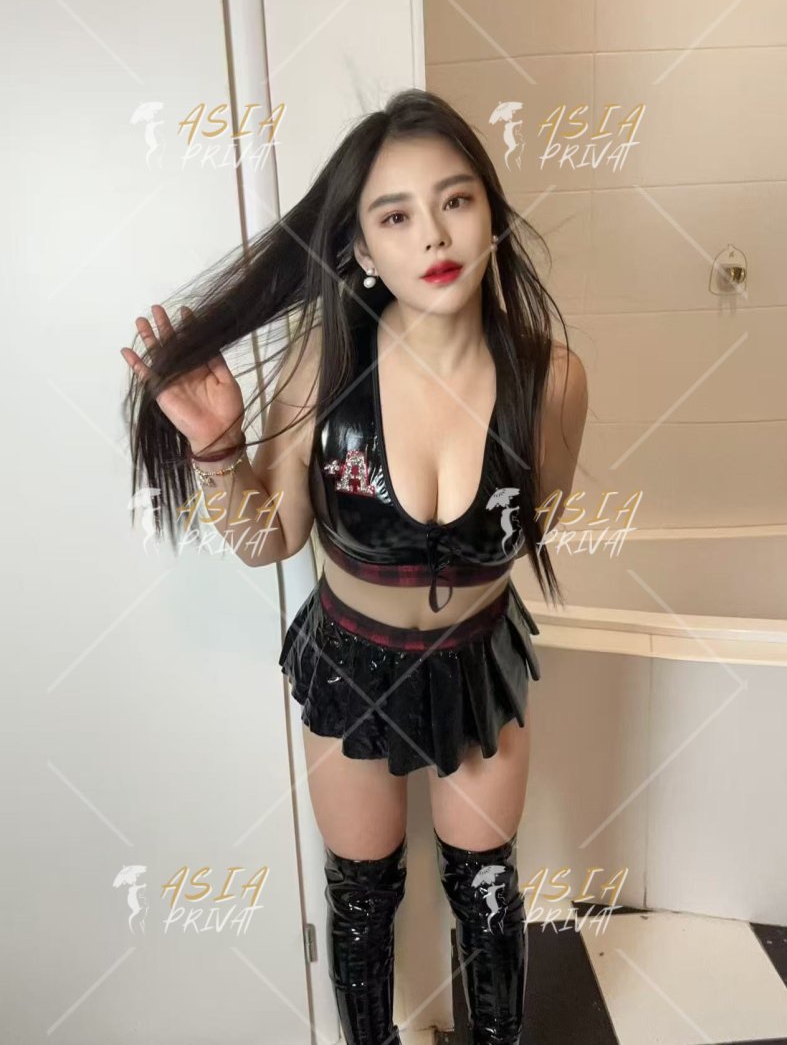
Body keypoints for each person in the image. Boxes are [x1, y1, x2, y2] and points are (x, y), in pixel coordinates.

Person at [121, 88, 587, 1045]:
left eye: (454, 201)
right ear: (363, 249)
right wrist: (218, 449)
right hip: (351, 664)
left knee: (487, 892)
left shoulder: (551, 379)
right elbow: (269, 539)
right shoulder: (323, 369)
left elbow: (534, 519)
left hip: (474, 663)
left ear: (490, 215)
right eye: (395, 215)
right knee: (362, 898)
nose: (433, 235)